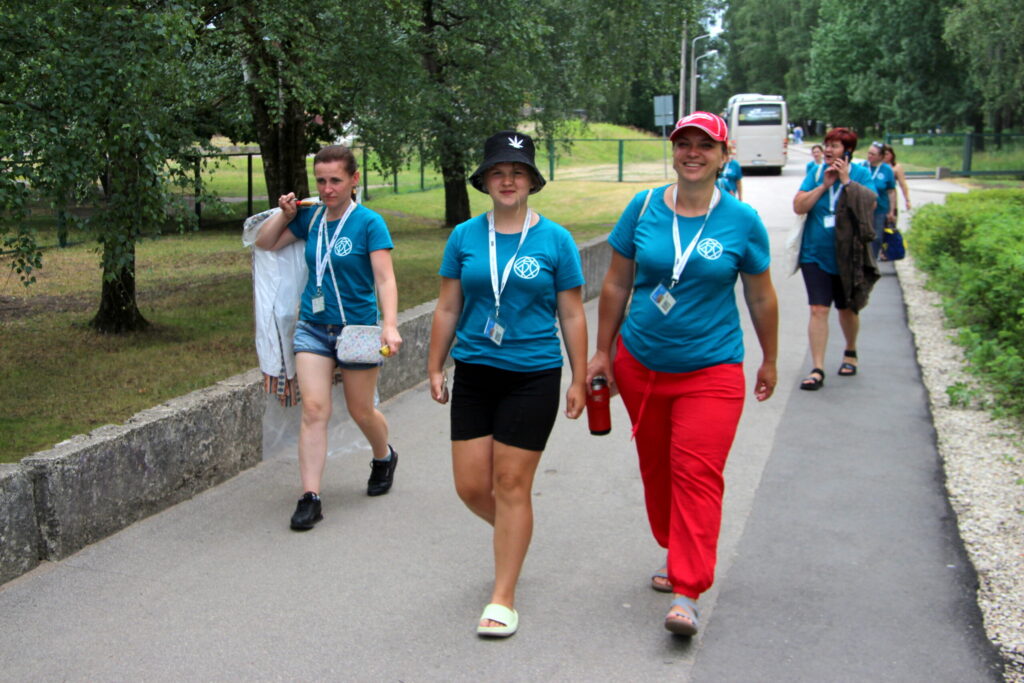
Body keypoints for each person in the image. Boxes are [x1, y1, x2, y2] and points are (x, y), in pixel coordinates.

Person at [585, 112, 779, 637]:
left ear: (723, 155)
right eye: (683, 144)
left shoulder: (742, 221)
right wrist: (602, 353)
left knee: (696, 473)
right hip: (640, 364)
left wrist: (770, 357)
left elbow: (760, 294)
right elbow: (616, 284)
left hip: (711, 369)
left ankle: (689, 589)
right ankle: (677, 553)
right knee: (657, 470)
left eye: (704, 146)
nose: (692, 153)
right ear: (674, 152)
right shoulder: (644, 207)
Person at [427, 131, 588, 638]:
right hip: (475, 371)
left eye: (517, 171)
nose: (508, 180)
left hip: (533, 374)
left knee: (511, 484)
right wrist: (434, 366)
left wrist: (580, 377)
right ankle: (514, 538)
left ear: (532, 181)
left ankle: (503, 596)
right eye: (499, 171)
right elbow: (449, 306)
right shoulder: (465, 237)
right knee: (472, 486)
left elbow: (572, 312)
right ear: (486, 180)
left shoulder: (556, 240)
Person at [254, 145, 402, 531]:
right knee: (315, 410)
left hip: (356, 330)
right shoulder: (311, 218)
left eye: (336, 180)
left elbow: (385, 279)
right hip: (314, 329)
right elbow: (264, 242)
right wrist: (284, 215)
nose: (327, 188)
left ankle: (383, 455)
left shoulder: (369, 223)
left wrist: (390, 324)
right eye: (321, 180)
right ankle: (310, 498)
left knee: (361, 410)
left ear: (354, 180)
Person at [793, 127, 879, 391]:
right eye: (827, 145)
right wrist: (824, 186)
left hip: (847, 256)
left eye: (836, 146)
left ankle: (850, 351)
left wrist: (845, 182)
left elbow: (870, 205)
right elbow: (798, 206)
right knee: (818, 309)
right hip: (814, 254)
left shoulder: (862, 174)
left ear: (848, 151)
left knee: (846, 308)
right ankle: (817, 368)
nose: (829, 150)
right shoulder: (817, 173)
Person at [861, 142, 897, 260]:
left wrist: (891, 211)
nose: (869, 156)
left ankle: (872, 259)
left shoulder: (886, 170)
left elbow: (891, 191)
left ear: (881, 156)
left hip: (880, 209)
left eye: (873, 154)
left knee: (876, 236)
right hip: (862, 208)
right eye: (869, 153)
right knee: (861, 234)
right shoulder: (861, 167)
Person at [882, 144, 911, 212]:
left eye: (887, 154)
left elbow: (903, 184)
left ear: (892, 155)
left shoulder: (896, 167)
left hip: (890, 196)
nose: (884, 156)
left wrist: (907, 200)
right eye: (883, 154)